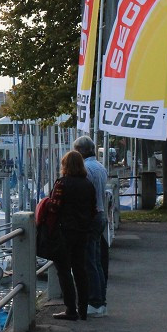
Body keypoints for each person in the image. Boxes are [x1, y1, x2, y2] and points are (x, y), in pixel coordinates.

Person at [48, 150, 96, 321]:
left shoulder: (62, 183)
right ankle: (83, 308)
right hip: (83, 232)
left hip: (65, 231)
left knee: (63, 270)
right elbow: (93, 208)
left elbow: (54, 207)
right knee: (80, 270)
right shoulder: (88, 184)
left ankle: (70, 309)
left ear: (65, 166)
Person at [73, 135, 108, 317]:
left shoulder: (86, 169)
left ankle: (94, 301)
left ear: (80, 151)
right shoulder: (100, 167)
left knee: (89, 262)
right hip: (101, 215)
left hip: (91, 217)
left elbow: (86, 195)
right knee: (97, 261)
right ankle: (100, 300)